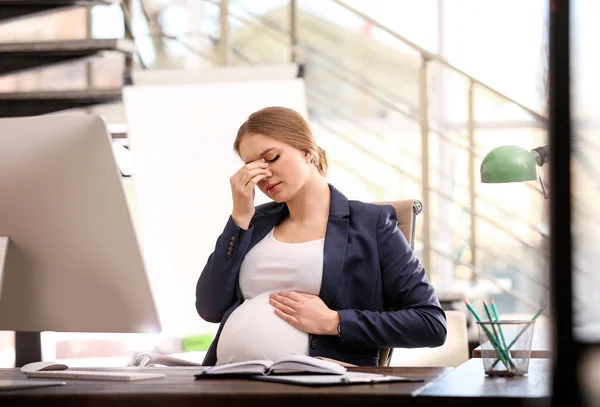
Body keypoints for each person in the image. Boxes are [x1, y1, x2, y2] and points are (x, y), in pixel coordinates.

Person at [195, 106, 446, 366]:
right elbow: (209, 307)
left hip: (316, 390)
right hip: (225, 384)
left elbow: (430, 323)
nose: (263, 175)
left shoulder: (372, 224)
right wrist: (239, 218)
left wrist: (334, 322)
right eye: (253, 167)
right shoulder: (253, 223)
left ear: (306, 151)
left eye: (271, 158)